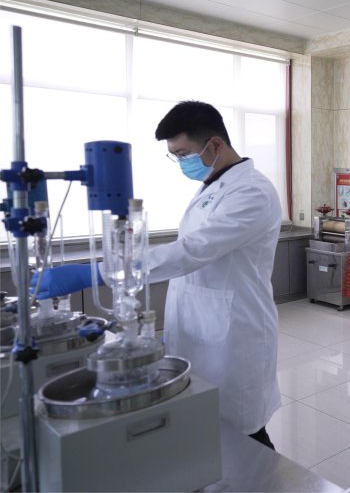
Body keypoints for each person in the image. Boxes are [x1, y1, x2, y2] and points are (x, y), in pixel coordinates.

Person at [33, 101, 282, 449]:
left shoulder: (252, 191)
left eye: (183, 154)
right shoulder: (214, 184)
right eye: (175, 156)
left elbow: (193, 250)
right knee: (207, 427)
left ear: (215, 145)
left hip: (235, 333)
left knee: (244, 435)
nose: (180, 162)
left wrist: (102, 272)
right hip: (203, 325)